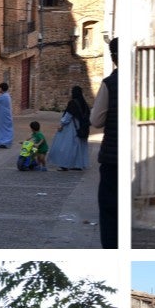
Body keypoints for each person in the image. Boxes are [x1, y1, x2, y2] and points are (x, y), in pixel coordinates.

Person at [90, 39, 118, 248]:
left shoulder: (110, 83)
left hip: (112, 159)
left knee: (110, 211)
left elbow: (96, 120)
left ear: (113, 57)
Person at [47, 90, 88, 171]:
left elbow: (68, 115)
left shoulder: (73, 103)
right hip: (81, 127)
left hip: (71, 128)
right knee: (78, 147)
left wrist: (62, 124)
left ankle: (64, 164)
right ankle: (77, 164)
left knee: (65, 145)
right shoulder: (83, 103)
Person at [0, 83, 14, 148]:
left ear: (1, 88)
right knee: (6, 128)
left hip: (1, 116)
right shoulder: (7, 95)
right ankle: (6, 142)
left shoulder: (3, 96)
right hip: (6, 115)